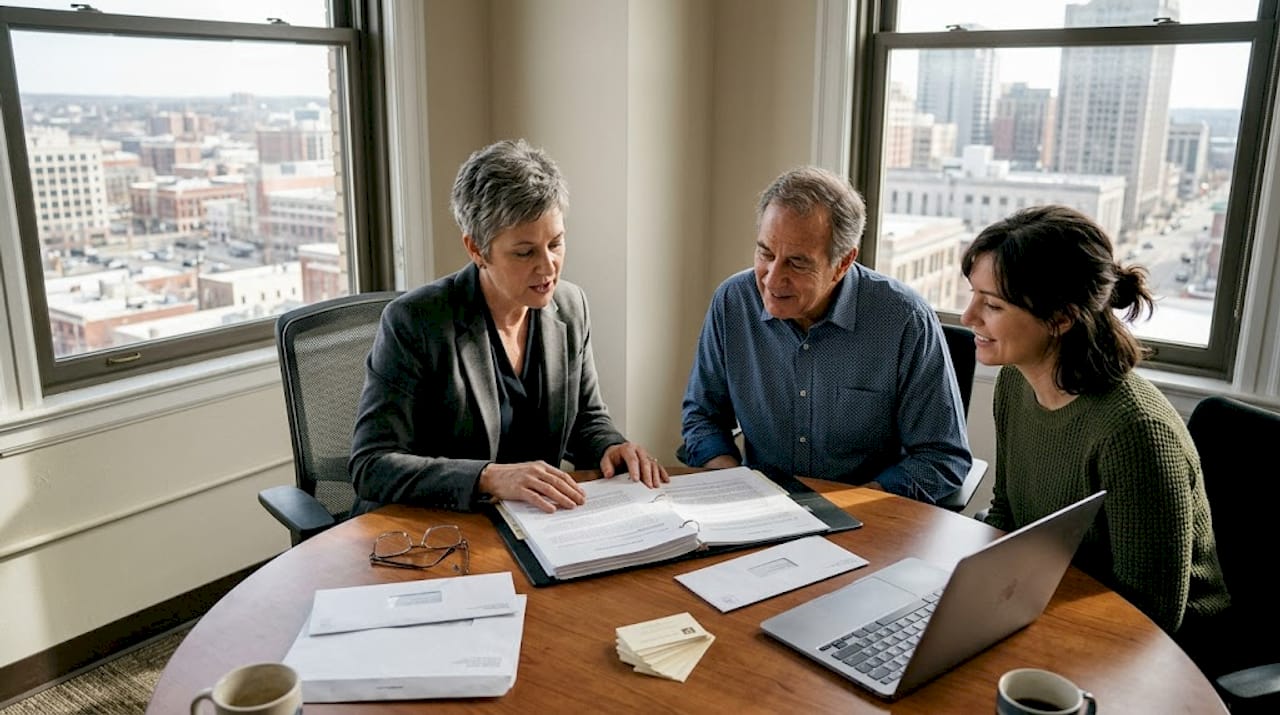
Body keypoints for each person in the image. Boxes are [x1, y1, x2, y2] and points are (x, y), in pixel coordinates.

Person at [960, 204, 1229, 656]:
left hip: (1164, 654)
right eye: (972, 294)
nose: (968, 316)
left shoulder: (1135, 432)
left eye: (993, 304)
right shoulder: (1014, 381)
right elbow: (1008, 508)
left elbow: (1152, 614)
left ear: (1061, 319)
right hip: (1048, 606)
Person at [349, 138, 668, 515]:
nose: (548, 266)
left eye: (556, 243)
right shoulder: (415, 322)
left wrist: (610, 446)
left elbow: (587, 417)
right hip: (435, 530)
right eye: (524, 252)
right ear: (476, 249)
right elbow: (372, 465)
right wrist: (487, 477)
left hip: (532, 525)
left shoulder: (570, 306)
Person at [681, 166, 971, 504]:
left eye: (797, 263)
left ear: (843, 262)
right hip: (758, 512)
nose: (772, 280)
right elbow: (703, 417)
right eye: (765, 253)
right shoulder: (733, 302)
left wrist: (850, 505)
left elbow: (942, 456)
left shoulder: (904, 320)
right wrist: (731, 485)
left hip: (865, 515)